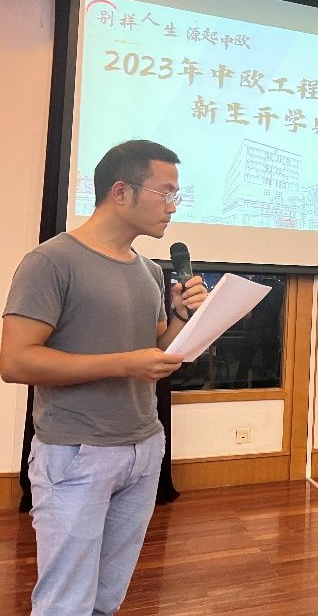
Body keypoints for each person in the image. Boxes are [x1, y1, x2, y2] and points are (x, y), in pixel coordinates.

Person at [0, 140, 207, 616]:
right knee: (66, 602)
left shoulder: (149, 271)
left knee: (106, 599)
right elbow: (15, 362)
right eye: (166, 193)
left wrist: (181, 317)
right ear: (121, 191)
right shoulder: (51, 261)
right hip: (76, 452)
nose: (173, 206)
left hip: (143, 447)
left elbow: (156, 353)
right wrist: (124, 363)